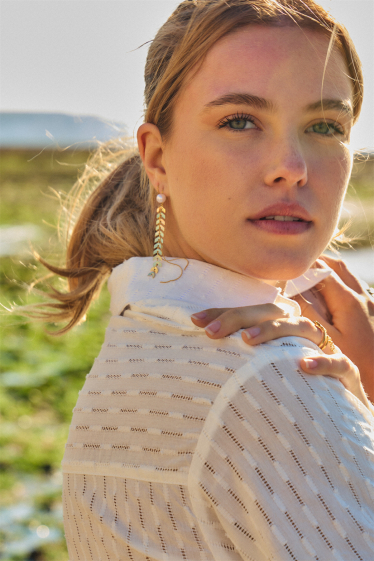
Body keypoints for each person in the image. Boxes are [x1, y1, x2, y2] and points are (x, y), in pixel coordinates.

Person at [28, 0, 374, 559]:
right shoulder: (277, 377)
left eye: (325, 126)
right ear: (157, 157)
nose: (291, 164)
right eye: (240, 121)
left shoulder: (135, 341)